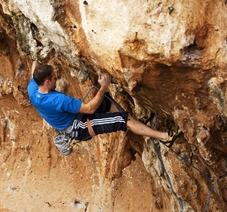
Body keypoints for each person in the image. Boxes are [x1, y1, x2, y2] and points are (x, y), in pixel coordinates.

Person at [27, 61, 183, 155]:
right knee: (122, 118)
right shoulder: (58, 100)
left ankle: (134, 123)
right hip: (80, 127)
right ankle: (165, 137)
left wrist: (35, 59)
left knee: (106, 102)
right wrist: (103, 87)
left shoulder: (33, 89)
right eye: (54, 78)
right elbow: (89, 109)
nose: (56, 79)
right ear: (47, 82)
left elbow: (34, 70)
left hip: (75, 121)